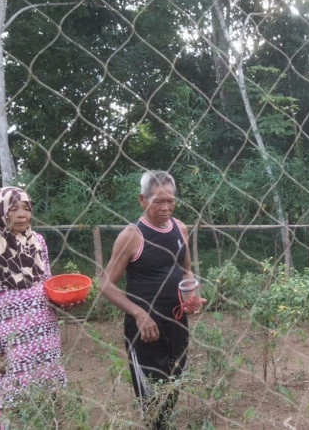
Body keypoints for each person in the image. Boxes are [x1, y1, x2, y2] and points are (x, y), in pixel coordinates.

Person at [101, 170, 202, 429]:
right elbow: (106, 285)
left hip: (177, 322)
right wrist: (138, 314)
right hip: (145, 329)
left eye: (171, 201)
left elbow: (186, 270)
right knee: (150, 394)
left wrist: (191, 295)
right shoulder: (132, 235)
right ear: (142, 200)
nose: (166, 207)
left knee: (174, 383)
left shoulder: (180, 228)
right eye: (158, 201)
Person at [0, 187, 67, 427]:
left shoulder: (38, 242)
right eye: (13, 209)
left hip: (45, 336)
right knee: (12, 404)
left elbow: (48, 284)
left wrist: (65, 300)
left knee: (48, 399)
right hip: (11, 343)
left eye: (26, 208)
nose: (22, 215)